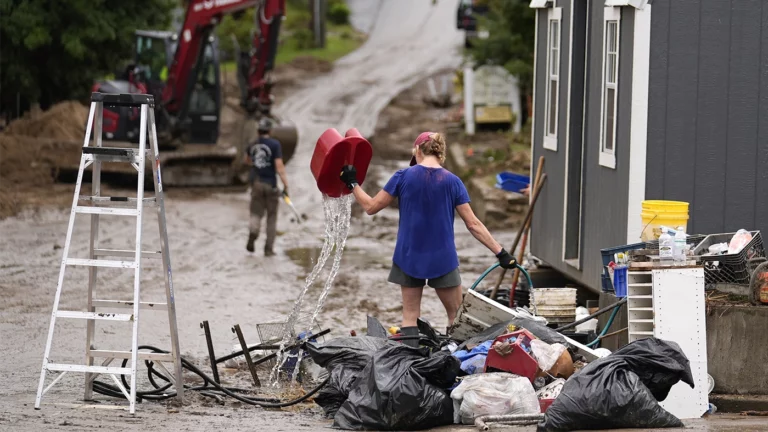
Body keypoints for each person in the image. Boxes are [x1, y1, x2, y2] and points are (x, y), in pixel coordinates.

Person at [340, 131, 517, 346]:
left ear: (417, 151)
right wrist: (501, 252)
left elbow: (370, 207)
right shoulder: (453, 182)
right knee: (455, 316)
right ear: (440, 154)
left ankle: (408, 368)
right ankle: (454, 364)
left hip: (408, 256)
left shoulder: (402, 176)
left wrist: (352, 183)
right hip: (443, 259)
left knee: (410, 315)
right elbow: (473, 224)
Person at [245, 118, 289, 256]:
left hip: (256, 184)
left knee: (256, 213)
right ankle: (268, 249)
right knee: (271, 217)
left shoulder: (252, 145)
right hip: (271, 185)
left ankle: (253, 232)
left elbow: (247, 161)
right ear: (270, 130)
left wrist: (257, 165)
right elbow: (279, 167)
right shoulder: (275, 145)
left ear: (258, 130)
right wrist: (286, 184)